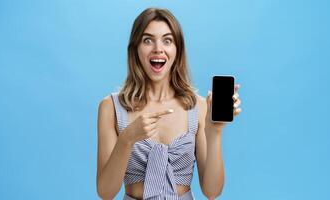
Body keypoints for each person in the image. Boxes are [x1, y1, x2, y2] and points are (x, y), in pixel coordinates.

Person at [96, 8, 242, 200]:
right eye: (148, 40)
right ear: (135, 49)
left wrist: (214, 131)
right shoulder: (111, 107)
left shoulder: (198, 107)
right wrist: (127, 138)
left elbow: (212, 191)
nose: (158, 48)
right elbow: (105, 193)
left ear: (177, 50)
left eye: (167, 40)